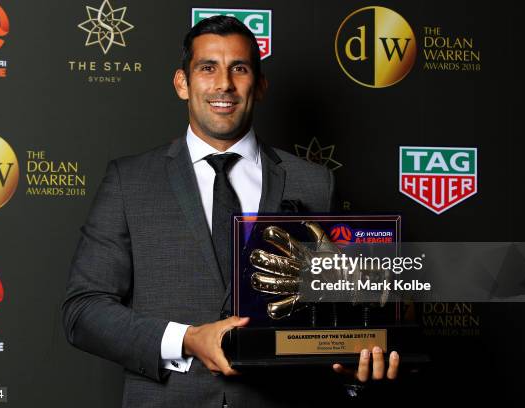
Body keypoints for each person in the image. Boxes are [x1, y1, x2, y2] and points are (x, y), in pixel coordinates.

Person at [62, 15, 398, 408]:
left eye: (239, 68)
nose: (224, 84)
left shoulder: (313, 183)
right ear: (182, 84)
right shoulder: (129, 180)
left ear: (259, 85)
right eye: (208, 68)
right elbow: (83, 311)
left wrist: (353, 369)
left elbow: (331, 312)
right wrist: (188, 339)